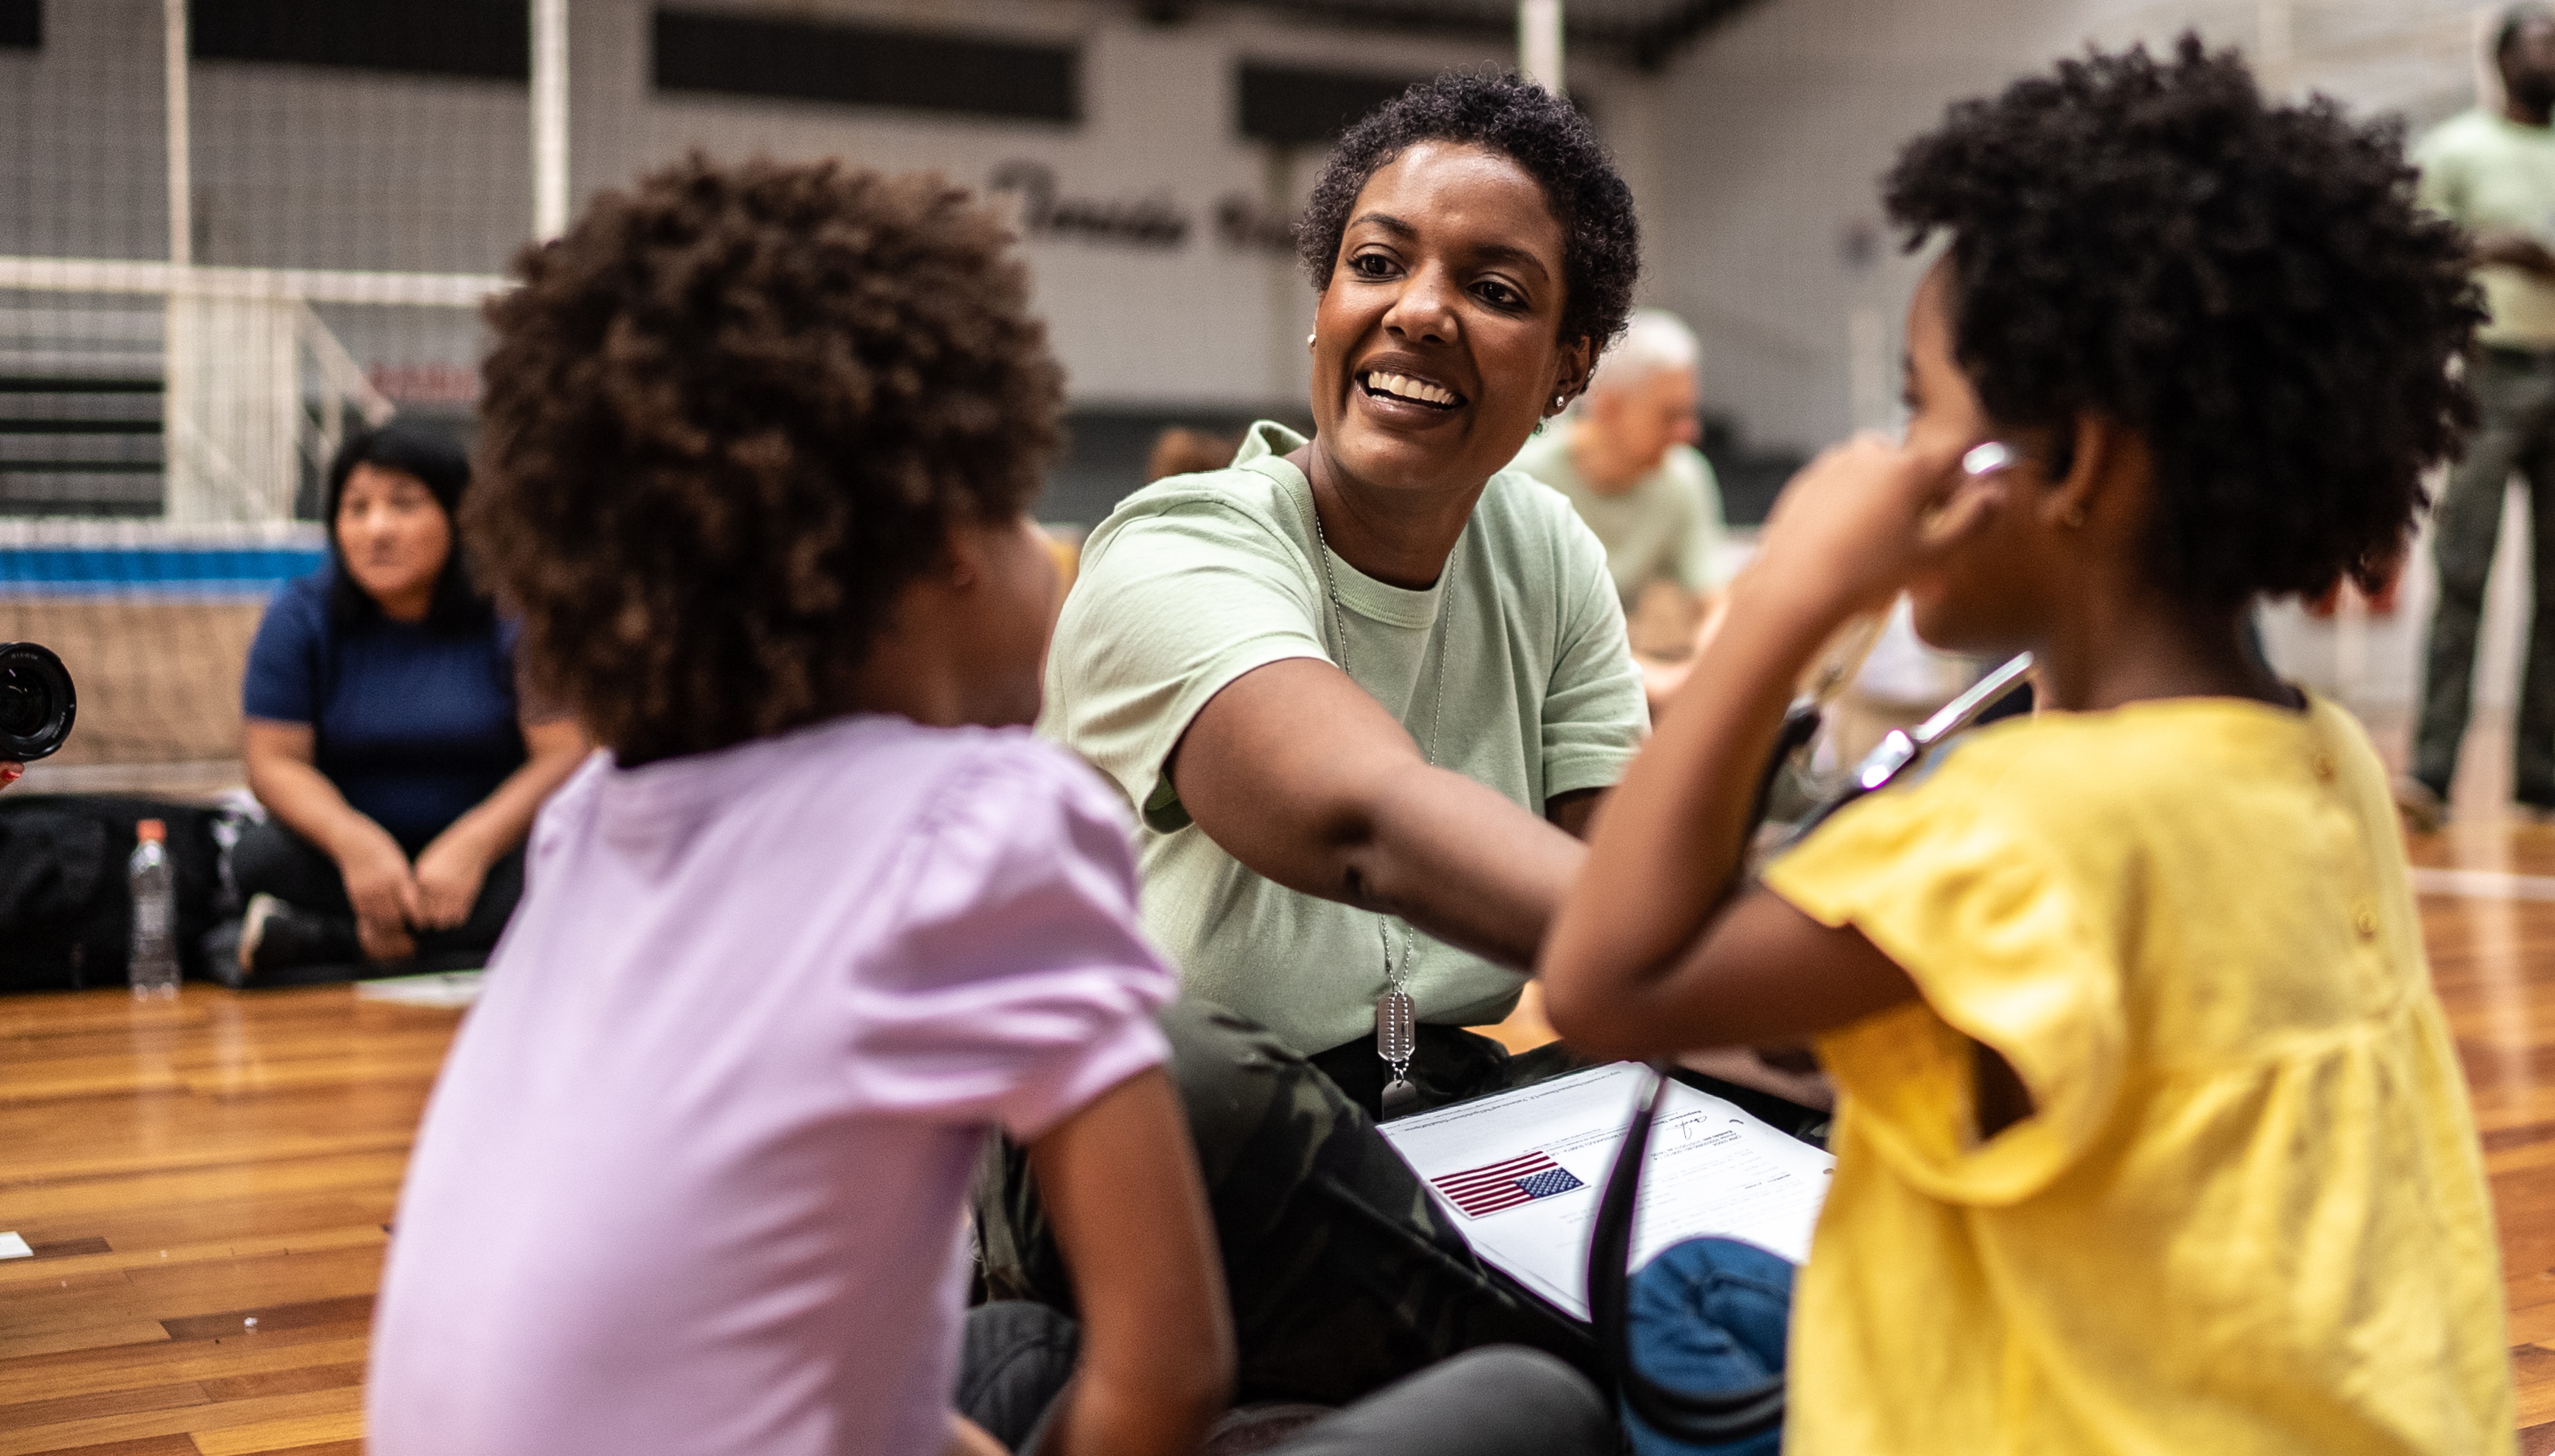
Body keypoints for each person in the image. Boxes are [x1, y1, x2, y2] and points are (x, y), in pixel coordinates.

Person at [371, 153, 1606, 1456]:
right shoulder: (984, 825)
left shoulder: (596, 816)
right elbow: (1166, 1374)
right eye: (1021, 503)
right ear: (942, 550)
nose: (1058, 548)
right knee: (1539, 1409)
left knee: (1008, 1365)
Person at [1542, 37, 2513, 1456]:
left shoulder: (2022, 832)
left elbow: (1603, 982)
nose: (1891, 462)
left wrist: (1792, 594)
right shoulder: (2320, 760)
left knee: (1602, 1358)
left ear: (2078, 467)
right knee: (1708, 1289)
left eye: (1923, 412)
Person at [1001, 71, 1645, 1405]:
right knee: (1170, 1058)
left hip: (1433, 1095)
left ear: (1571, 366)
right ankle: (1572, 1369)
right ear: (1324, 305)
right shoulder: (1174, 547)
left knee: (1690, 1084)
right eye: (1376, 262)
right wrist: (1732, 949)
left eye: (1500, 290)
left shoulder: (1549, 553)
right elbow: (1364, 822)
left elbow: (1622, 900)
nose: (1418, 309)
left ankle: (1540, 1359)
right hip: (1154, 1133)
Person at [2397, 1, 2555, 831]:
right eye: (2538, 45)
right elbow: (2414, 258)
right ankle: (2432, 773)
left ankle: (2539, 776)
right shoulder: (2454, 151)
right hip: (2488, 374)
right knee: (2463, 574)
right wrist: (2486, 251)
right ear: (2499, 60)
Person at [232, 423, 586, 980]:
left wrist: (474, 844)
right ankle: (455, 946)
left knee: (575, 861)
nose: (377, 529)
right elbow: (274, 762)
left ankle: (341, 942)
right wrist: (356, 845)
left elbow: (564, 753)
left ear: (458, 516)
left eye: (404, 505)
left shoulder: (511, 613)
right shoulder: (299, 616)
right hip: (352, 860)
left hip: (489, 856)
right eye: (357, 508)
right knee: (258, 857)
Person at [1509, 309, 1729, 709]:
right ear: (1609, 408)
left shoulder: (1684, 477)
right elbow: (1528, 639)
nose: (1690, 432)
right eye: (1671, 416)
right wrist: (1659, 681)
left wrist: (1706, 670)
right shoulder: (1522, 479)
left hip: (1621, 674)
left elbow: (1714, 599)